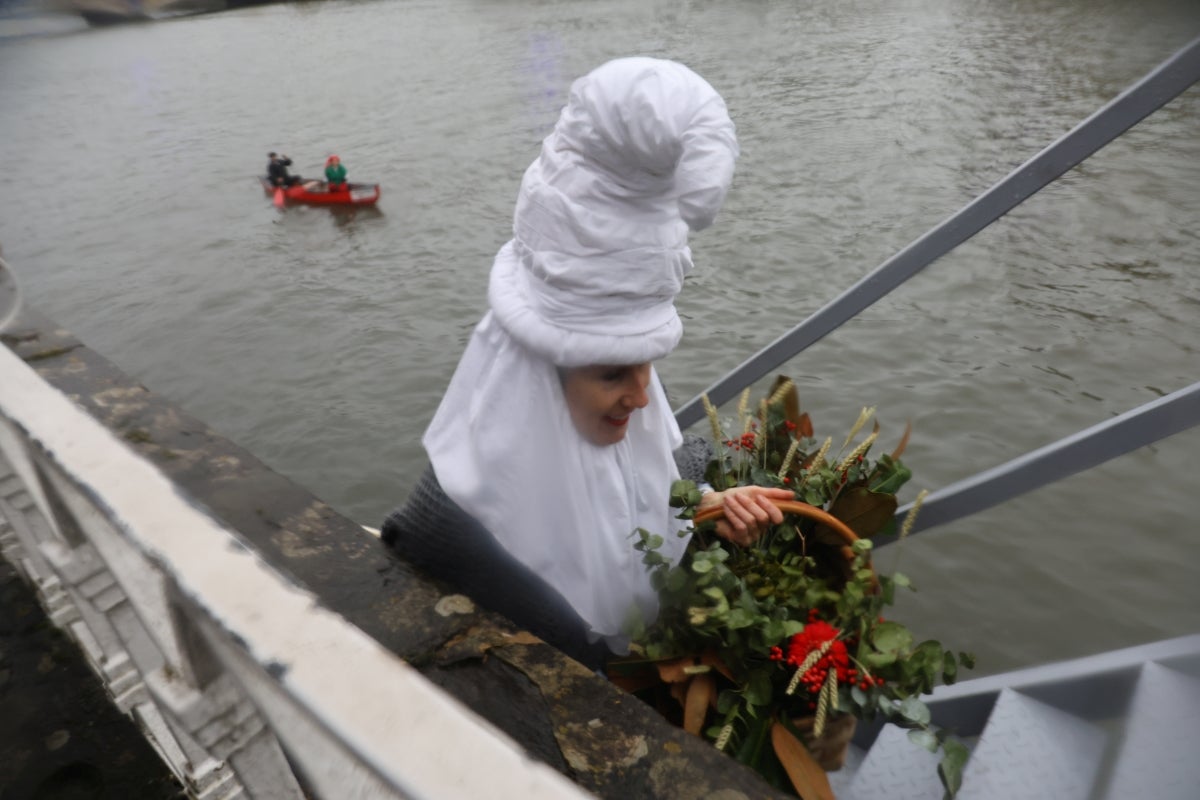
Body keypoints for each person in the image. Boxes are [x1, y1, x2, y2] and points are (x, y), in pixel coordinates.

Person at [380, 57, 791, 669]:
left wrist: (706, 511)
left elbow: (622, 500)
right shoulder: (456, 534)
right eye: (612, 374)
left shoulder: (608, 433)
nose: (644, 399)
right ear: (539, 376)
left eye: (647, 365)